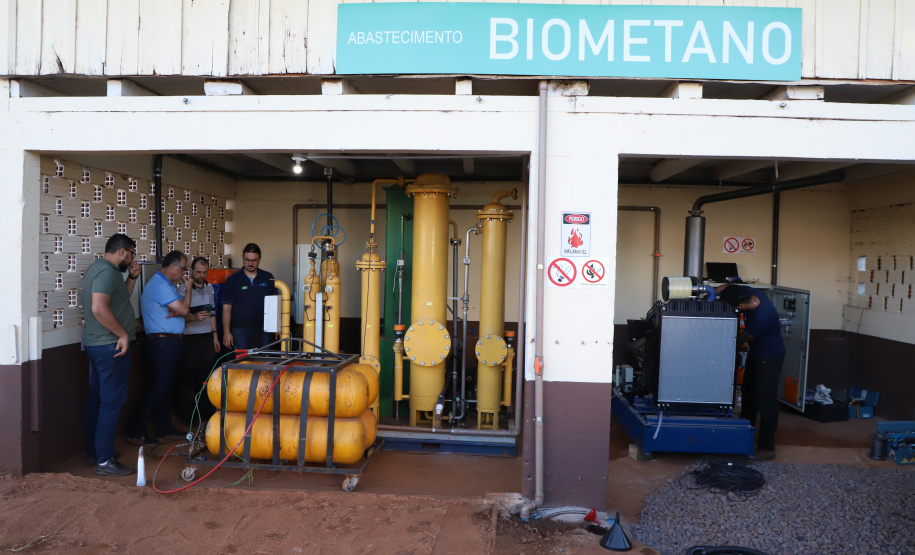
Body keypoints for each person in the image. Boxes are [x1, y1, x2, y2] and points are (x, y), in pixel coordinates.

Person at [82, 233, 141, 477]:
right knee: (111, 402)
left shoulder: (100, 269)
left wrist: (132, 278)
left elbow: (118, 300)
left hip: (98, 345)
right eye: (132, 253)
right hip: (110, 346)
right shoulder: (106, 272)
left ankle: (95, 452)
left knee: (98, 400)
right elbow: (98, 308)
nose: (132, 258)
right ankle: (105, 460)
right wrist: (122, 334)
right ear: (122, 252)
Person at [128, 251, 192, 445]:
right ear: (172, 266)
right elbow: (184, 309)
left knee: (165, 387)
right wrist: (188, 290)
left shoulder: (168, 285)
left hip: (169, 342)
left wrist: (179, 310)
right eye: (183, 268)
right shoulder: (160, 285)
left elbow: (180, 311)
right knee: (159, 388)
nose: (184, 273)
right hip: (161, 343)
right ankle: (136, 430)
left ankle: (164, 429)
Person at [717, 284, 786, 462]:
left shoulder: (763, 316)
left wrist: (716, 342)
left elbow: (741, 339)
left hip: (770, 358)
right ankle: (744, 436)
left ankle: (767, 448)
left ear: (740, 306)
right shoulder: (750, 293)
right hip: (756, 354)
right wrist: (710, 292)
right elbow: (729, 286)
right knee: (748, 393)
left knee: (765, 400)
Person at [176, 257, 220, 425]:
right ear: (191, 271)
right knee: (188, 378)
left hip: (206, 336)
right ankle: (188, 417)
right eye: (198, 272)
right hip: (190, 338)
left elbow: (213, 313)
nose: (201, 275)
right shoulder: (183, 288)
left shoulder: (209, 287)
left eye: (204, 272)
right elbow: (177, 315)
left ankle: (205, 413)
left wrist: (215, 335)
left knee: (205, 377)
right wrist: (193, 317)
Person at [221, 243, 277, 350]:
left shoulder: (268, 278)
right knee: (243, 360)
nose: (250, 263)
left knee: (266, 359)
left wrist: (278, 327)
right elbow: (226, 308)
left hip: (265, 329)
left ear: (259, 259)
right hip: (240, 330)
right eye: (247, 260)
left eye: (254, 260)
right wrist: (226, 332)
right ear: (242, 258)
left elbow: (275, 304)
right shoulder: (232, 280)